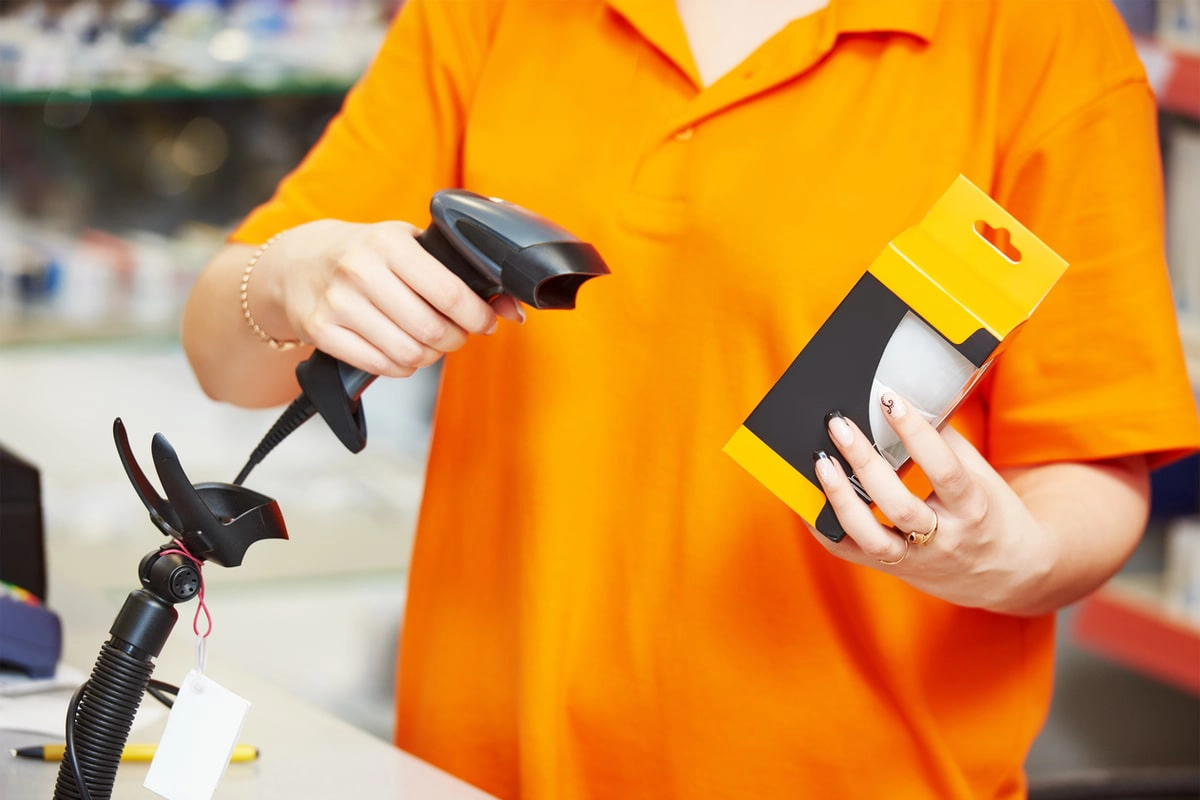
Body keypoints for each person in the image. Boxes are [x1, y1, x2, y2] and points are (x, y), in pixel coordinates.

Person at [180, 0, 1200, 797]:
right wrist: (290, 276)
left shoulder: (1042, 41)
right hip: (479, 771)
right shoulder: (491, 16)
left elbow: (1096, 468)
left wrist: (1007, 555)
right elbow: (229, 361)